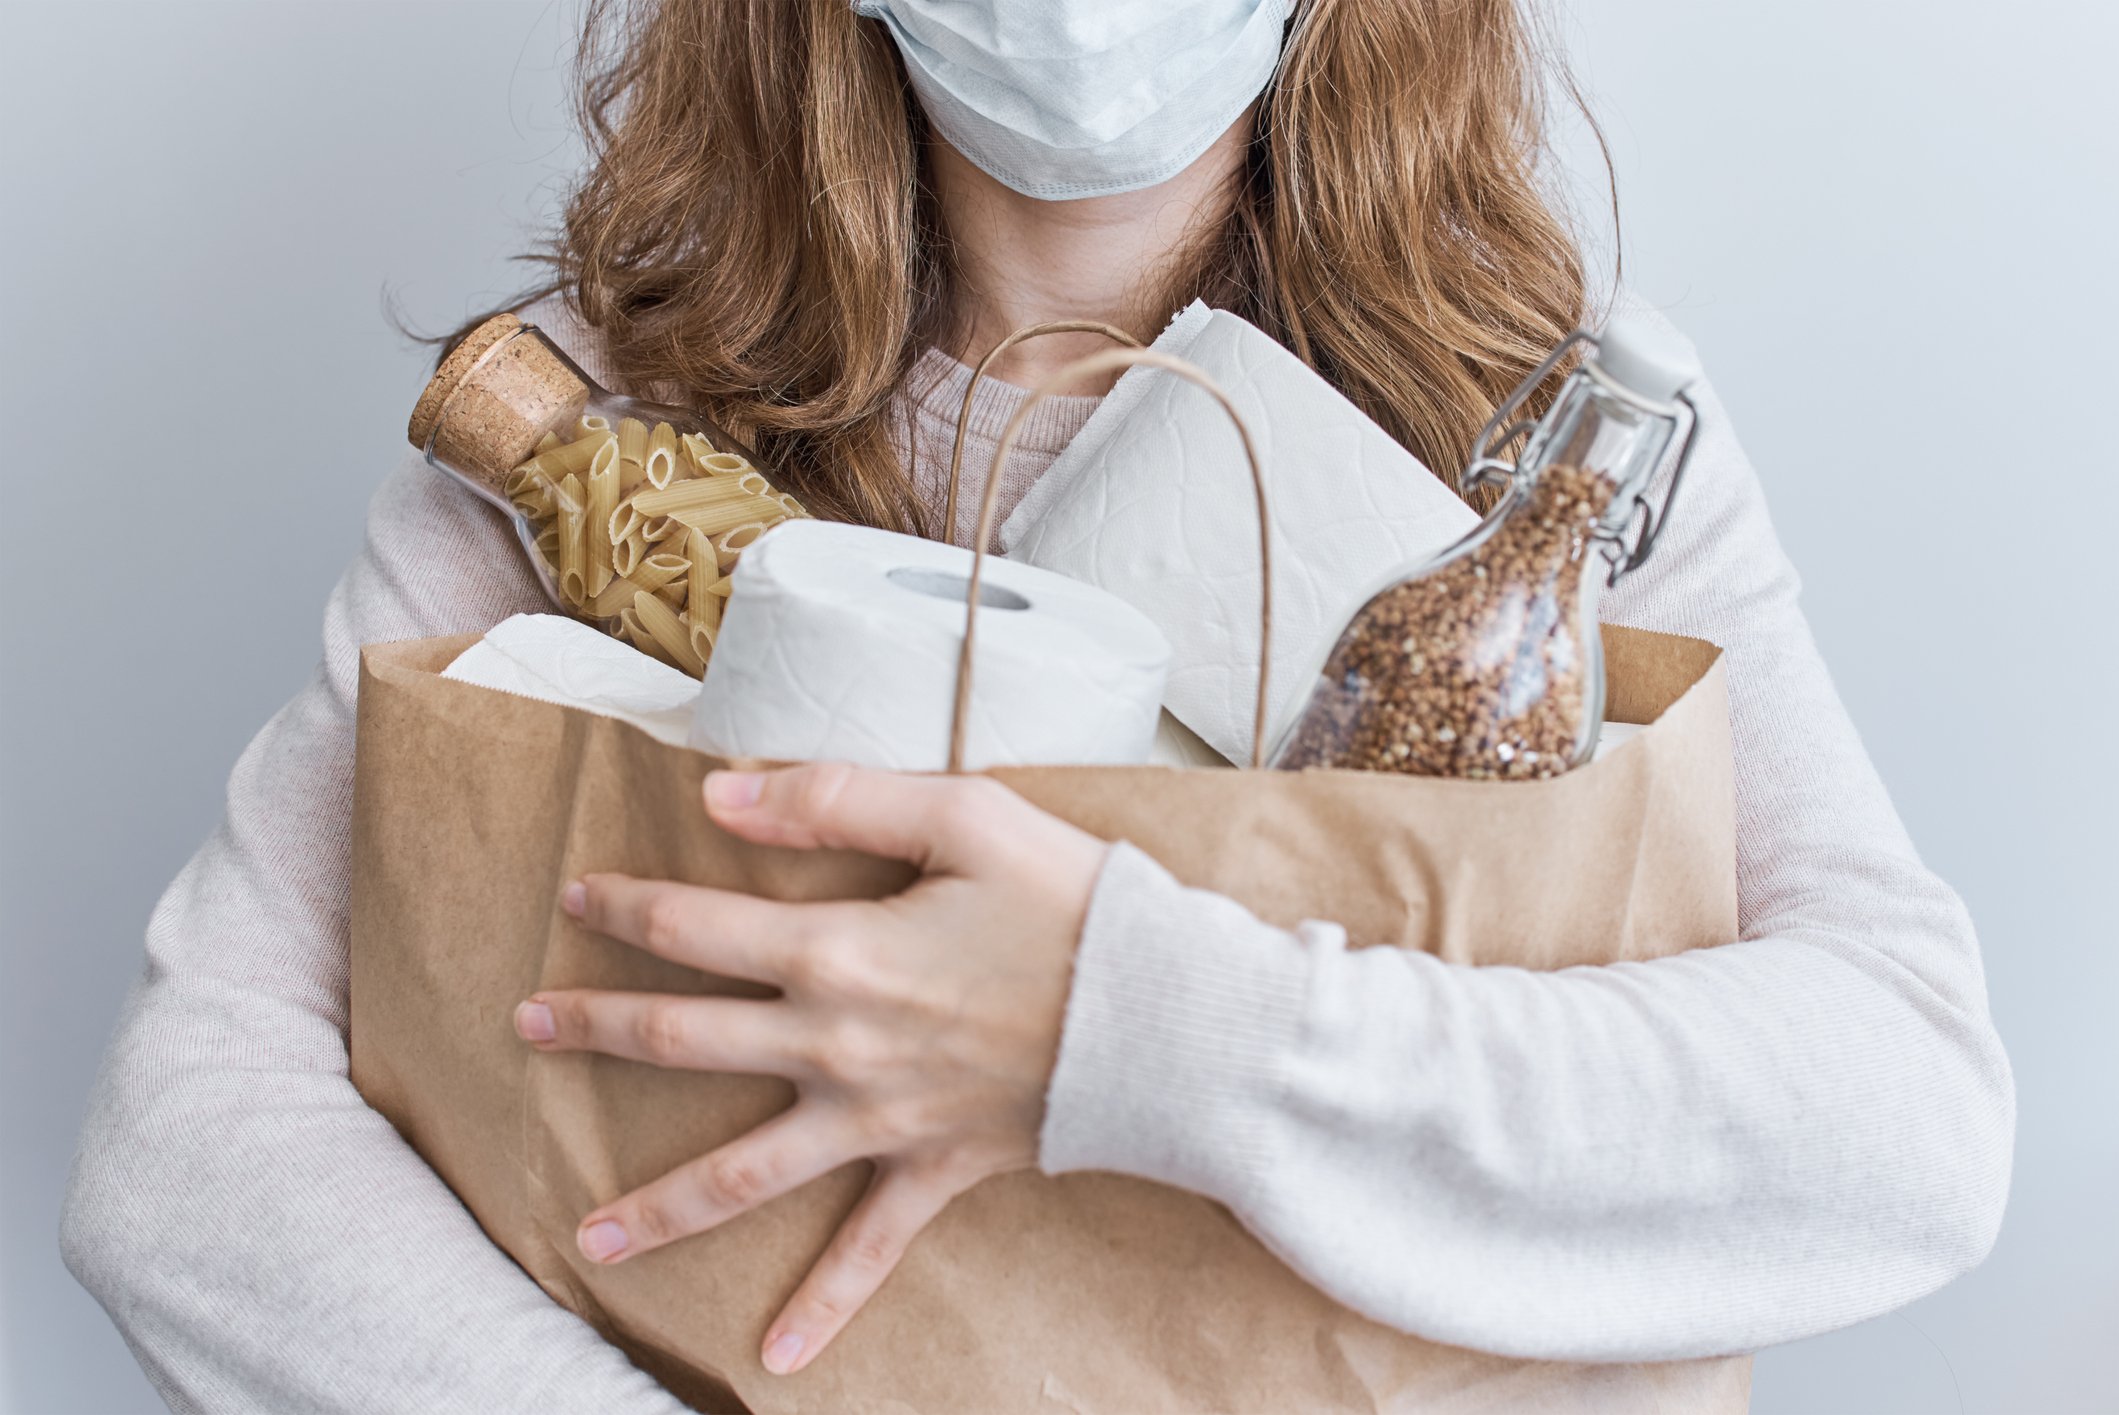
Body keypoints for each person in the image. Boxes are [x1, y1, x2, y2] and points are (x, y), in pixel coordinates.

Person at [62, 0, 2013, 1408]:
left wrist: (1127, 1032)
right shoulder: (592, 429)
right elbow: (186, 1148)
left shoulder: (1539, 447)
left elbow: (1909, 1121)